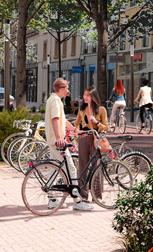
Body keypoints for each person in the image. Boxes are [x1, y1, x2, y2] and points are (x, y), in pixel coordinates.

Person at [44, 78, 86, 211]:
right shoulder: (56, 101)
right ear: (62, 89)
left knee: (54, 169)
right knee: (71, 168)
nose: (68, 91)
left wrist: (75, 130)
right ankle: (77, 201)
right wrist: (59, 138)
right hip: (58, 142)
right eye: (67, 88)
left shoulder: (52, 99)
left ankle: (52, 199)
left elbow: (62, 120)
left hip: (52, 141)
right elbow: (55, 120)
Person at [75, 86, 108, 203]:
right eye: (84, 95)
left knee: (96, 167)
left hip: (95, 140)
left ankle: (97, 196)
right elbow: (76, 123)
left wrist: (96, 122)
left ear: (93, 97)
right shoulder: (82, 109)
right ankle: (83, 196)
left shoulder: (102, 110)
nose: (85, 97)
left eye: (87, 95)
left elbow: (106, 127)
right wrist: (77, 133)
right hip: (83, 139)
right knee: (83, 167)